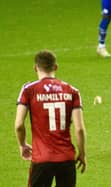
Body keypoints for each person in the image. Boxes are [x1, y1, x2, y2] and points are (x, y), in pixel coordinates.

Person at [15, 50, 87, 187]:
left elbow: (19, 125)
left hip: (42, 158)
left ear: (35, 67)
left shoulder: (28, 89)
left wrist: (22, 144)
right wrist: (82, 153)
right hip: (66, 158)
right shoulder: (72, 91)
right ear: (56, 67)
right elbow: (79, 129)